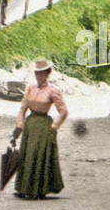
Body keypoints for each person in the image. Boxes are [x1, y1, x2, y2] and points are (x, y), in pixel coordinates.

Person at [13, 60, 68, 199]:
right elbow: (23, 108)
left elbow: (63, 111)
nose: (39, 76)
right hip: (31, 124)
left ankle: (39, 189)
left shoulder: (53, 91)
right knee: (27, 155)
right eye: (37, 73)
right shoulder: (31, 89)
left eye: (42, 73)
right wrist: (19, 125)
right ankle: (23, 188)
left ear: (48, 74)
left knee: (38, 156)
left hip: (43, 126)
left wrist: (54, 127)